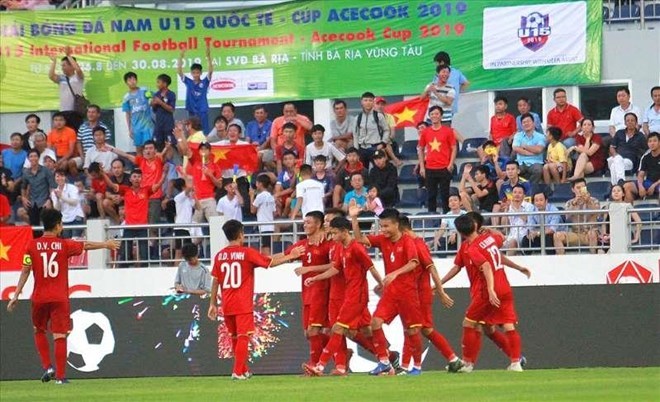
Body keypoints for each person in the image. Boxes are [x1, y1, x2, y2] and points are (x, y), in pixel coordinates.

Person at [6, 209, 119, 385]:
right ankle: (60, 377)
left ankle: (47, 367)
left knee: (39, 330)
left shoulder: (30, 246)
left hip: (39, 297)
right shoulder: (64, 245)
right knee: (59, 336)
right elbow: (85, 245)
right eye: (61, 224)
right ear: (58, 225)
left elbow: (26, 269)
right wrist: (105, 244)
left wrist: (16, 294)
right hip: (60, 298)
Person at [207, 219, 304, 380]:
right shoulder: (246, 252)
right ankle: (237, 372)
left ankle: (243, 369)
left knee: (234, 337)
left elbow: (216, 280)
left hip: (227, 303)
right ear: (240, 234)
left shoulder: (220, 255)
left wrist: (212, 303)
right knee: (244, 336)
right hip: (242, 303)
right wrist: (291, 257)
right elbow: (270, 263)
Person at [302, 216, 385, 376]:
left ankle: (319, 366)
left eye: (334, 233)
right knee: (364, 330)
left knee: (338, 328)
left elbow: (371, 267)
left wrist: (382, 284)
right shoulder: (341, 248)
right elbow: (335, 269)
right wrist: (315, 278)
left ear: (344, 232)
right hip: (350, 295)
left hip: (358, 295)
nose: (332, 237)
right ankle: (386, 360)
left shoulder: (356, 248)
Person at [349, 207, 423, 376]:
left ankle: (417, 367)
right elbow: (359, 239)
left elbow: (414, 263)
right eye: (381, 226)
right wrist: (354, 219)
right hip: (391, 293)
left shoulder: (408, 242)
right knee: (375, 323)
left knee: (412, 330)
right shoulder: (383, 240)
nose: (383, 230)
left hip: (407, 293)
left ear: (397, 225)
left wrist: (395, 273)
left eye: (386, 226)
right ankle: (383, 361)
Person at [452, 214, 527, 372]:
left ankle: (467, 364)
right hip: (504, 287)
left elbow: (486, 266)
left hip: (486, 291)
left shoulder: (472, 248)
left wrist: (491, 289)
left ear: (460, 232)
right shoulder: (491, 239)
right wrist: (519, 268)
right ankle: (516, 362)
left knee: (470, 324)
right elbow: (500, 247)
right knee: (505, 326)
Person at [398, 216, 460, 374]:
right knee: (425, 329)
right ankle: (453, 359)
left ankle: (405, 367)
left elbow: (432, 269)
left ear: (402, 229)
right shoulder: (411, 244)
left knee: (412, 328)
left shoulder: (418, 245)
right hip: (414, 293)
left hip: (420, 295)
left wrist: (441, 292)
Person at [284, 211, 334, 369]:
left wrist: (309, 269)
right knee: (309, 333)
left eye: (308, 222)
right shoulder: (302, 244)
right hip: (307, 293)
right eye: (304, 222)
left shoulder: (327, 242)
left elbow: (335, 264)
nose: (305, 225)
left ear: (318, 224)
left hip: (322, 291)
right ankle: (340, 351)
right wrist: (262, 260)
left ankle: (315, 365)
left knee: (314, 330)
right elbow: (286, 254)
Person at [109, 140, 168, 227]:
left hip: (155, 197)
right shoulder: (141, 160)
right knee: (141, 223)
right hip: (142, 197)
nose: (148, 151)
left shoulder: (159, 159)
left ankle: (152, 240)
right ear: (143, 151)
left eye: (151, 148)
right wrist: (111, 149)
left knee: (153, 224)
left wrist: (167, 148)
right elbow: (126, 155)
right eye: (146, 148)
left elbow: (165, 156)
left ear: (155, 151)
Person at [102, 168, 152, 266]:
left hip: (142, 226)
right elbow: (112, 186)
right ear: (130, 179)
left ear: (142, 179)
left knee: (144, 253)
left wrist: (164, 174)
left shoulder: (146, 190)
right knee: (125, 252)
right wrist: (103, 174)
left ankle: (146, 272)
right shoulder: (126, 190)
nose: (137, 179)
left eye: (139, 177)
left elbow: (157, 186)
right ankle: (123, 271)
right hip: (129, 226)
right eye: (134, 176)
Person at [418, 105, 457, 213]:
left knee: (445, 195)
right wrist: (422, 166)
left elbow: (454, 148)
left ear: (441, 116)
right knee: (431, 195)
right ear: (429, 116)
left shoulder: (448, 131)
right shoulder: (425, 132)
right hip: (430, 168)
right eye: (432, 114)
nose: (434, 116)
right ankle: (432, 219)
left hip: (444, 167)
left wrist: (451, 164)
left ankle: (447, 218)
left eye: (436, 114)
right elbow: (420, 149)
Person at [553, 179, 599, 255]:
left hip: (590, 233)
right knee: (557, 236)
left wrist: (588, 202)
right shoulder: (569, 203)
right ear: (573, 190)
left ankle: (593, 258)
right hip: (576, 233)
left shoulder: (594, 200)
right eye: (578, 188)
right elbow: (567, 216)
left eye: (583, 187)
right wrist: (574, 204)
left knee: (592, 234)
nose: (580, 190)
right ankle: (561, 261)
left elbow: (597, 213)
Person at [48, 46, 85, 130]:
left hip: (75, 112)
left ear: (71, 66)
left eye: (64, 65)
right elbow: (51, 76)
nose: (62, 68)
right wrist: (54, 61)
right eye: (61, 66)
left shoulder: (78, 78)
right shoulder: (62, 78)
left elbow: (78, 70)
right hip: (63, 112)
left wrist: (68, 55)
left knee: (75, 134)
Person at [178, 46, 213, 134]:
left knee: (204, 131)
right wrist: (181, 56)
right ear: (191, 73)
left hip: (202, 110)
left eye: (197, 72)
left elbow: (211, 71)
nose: (195, 74)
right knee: (192, 130)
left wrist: (208, 57)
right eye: (194, 73)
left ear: (201, 73)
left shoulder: (205, 82)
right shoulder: (188, 82)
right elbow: (179, 71)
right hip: (192, 109)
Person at [598, 185, 642, 253]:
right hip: (610, 238)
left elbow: (638, 221)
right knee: (600, 252)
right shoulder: (608, 206)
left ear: (623, 194)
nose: (616, 193)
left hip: (623, 237)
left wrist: (636, 237)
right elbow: (604, 223)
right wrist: (605, 235)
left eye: (618, 191)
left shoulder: (627, 206)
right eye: (614, 191)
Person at [608, 113, 648, 186]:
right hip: (615, 158)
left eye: (632, 120)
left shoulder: (640, 136)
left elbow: (646, 151)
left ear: (636, 122)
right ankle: (619, 184)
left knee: (614, 165)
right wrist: (615, 155)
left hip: (629, 161)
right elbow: (612, 147)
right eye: (628, 120)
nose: (630, 122)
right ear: (625, 122)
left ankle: (615, 185)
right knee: (616, 162)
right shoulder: (619, 133)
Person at [18, 149, 56, 227]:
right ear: (28, 159)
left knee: (48, 226)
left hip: (44, 202)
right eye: (31, 156)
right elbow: (23, 187)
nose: (33, 158)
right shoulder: (26, 172)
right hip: (32, 202)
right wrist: (24, 198)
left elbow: (52, 187)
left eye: (35, 156)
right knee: (34, 227)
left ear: (38, 158)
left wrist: (49, 200)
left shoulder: (46, 171)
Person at [354, 92, 391, 168]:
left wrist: (383, 143)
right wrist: (356, 150)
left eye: (370, 100)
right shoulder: (358, 118)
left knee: (380, 170)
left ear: (373, 102)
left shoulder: (379, 116)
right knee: (362, 172)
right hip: (362, 149)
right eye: (365, 100)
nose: (368, 103)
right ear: (361, 102)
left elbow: (386, 130)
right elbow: (355, 134)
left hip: (375, 147)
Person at [122, 72, 154, 154]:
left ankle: (149, 166)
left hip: (147, 126)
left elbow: (154, 98)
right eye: (129, 80)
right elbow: (127, 113)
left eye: (134, 79)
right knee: (139, 149)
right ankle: (141, 166)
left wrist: (151, 102)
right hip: (136, 128)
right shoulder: (126, 97)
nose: (132, 81)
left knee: (148, 148)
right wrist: (129, 129)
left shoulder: (144, 90)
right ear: (126, 83)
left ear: (136, 80)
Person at [623, 132, 660, 202]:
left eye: (655, 141)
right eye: (650, 141)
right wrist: (640, 186)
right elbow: (640, 175)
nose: (652, 143)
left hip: (658, 183)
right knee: (627, 186)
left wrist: (654, 185)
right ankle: (631, 212)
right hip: (649, 182)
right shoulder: (645, 157)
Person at [512, 113, 547, 183]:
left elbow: (539, 149)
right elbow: (515, 148)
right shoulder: (518, 135)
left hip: (536, 162)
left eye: (528, 121)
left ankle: (529, 187)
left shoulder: (541, 136)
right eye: (524, 122)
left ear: (533, 123)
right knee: (512, 170)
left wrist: (525, 146)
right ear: (521, 125)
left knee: (538, 170)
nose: (526, 124)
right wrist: (532, 152)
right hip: (521, 162)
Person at [502, 185, 536, 256]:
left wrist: (514, 208)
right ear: (512, 194)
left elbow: (526, 219)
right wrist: (506, 210)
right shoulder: (510, 206)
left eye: (520, 193)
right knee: (494, 243)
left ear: (524, 195)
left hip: (524, 236)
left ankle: (508, 265)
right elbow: (504, 226)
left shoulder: (529, 206)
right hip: (511, 235)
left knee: (512, 242)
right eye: (515, 192)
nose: (517, 194)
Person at [50, 170, 85, 238]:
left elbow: (74, 202)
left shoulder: (72, 188)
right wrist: (57, 198)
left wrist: (62, 197)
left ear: (65, 177)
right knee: (67, 242)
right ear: (54, 178)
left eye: (62, 176)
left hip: (76, 217)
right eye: (57, 176)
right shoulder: (54, 192)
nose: (60, 178)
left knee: (75, 240)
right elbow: (57, 208)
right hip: (65, 219)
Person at [481, 96, 516, 160]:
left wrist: (510, 138)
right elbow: (491, 133)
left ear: (505, 106)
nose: (497, 106)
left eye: (500, 104)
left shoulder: (510, 118)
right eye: (496, 104)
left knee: (495, 150)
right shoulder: (493, 118)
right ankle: (485, 166)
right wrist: (490, 142)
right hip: (494, 143)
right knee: (480, 149)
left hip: (504, 144)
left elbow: (514, 132)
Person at [250, 174, 276, 254]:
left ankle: (267, 264)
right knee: (267, 246)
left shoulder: (260, 196)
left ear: (260, 184)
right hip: (270, 226)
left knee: (265, 249)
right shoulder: (270, 196)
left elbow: (252, 210)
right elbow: (274, 212)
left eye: (257, 183)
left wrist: (251, 196)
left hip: (264, 226)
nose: (256, 185)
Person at [151, 74, 176, 150]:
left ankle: (170, 162)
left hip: (168, 125)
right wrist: (153, 104)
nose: (157, 84)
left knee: (169, 146)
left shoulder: (171, 94)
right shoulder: (156, 94)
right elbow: (154, 110)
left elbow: (171, 109)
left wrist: (160, 102)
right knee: (157, 146)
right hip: (158, 125)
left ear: (165, 84)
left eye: (158, 82)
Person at [101, 159, 130, 223]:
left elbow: (134, 194)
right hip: (115, 202)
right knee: (105, 202)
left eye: (119, 167)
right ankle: (118, 221)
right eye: (114, 168)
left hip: (127, 202)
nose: (116, 170)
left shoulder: (130, 178)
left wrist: (122, 198)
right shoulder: (111, 179)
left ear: (124, 168)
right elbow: (107, 193)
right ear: (111, 169)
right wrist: (112, 196)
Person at [274, 150, 298, 217]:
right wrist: (277, 195)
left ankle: (283, 217)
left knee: (288, 200)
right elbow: (278, 185)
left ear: (295, 160)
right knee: (276, 198)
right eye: (285, 159)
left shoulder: (299, 171)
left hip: (296, 195)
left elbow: (293, 188)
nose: (288, 161)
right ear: (283, 162)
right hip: (286, 195)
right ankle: (279, 215)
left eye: (290, 159)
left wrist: (278, 194)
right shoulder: (283, 173)